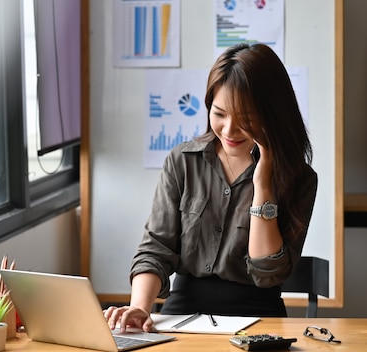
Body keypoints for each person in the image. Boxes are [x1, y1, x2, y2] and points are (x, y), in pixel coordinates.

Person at [104, 42, 318, 333]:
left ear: (272, 115)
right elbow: (156, 249)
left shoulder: (298, 178)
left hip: (258, 316)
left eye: (245, 119)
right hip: (182, 312)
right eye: (219, 114)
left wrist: (262, 184)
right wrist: (140, 307)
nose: (229, 130)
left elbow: (268, 273)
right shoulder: (183, 161)